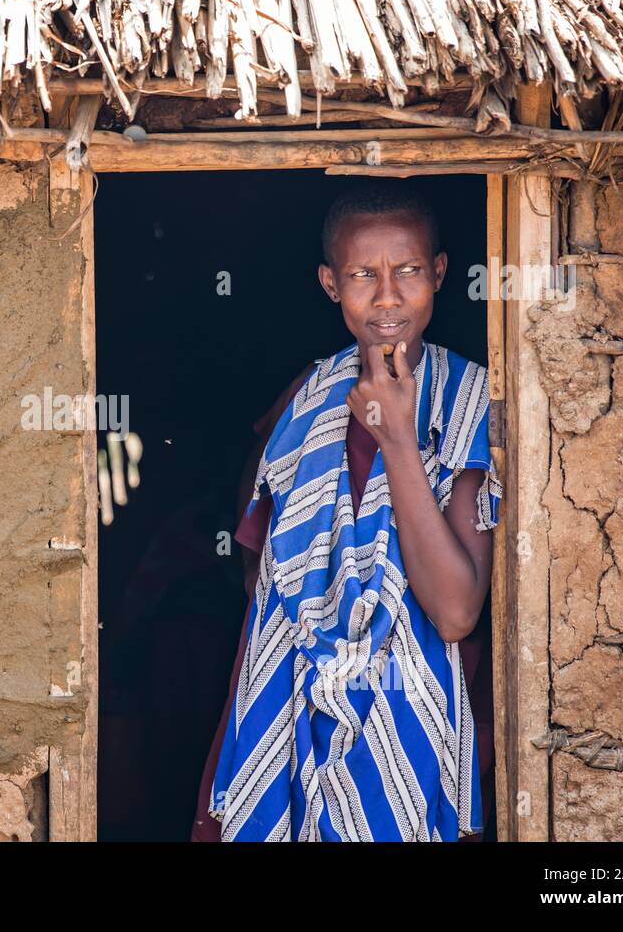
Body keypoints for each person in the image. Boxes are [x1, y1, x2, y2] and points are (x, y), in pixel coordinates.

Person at [194, 183, 502, 842]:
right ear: (331, 284)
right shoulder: (305, 402)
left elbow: (455, 610)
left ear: (440, 273)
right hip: (291, 712)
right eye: (364, 274)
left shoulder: (472, 403)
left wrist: (396, 432)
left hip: (410, 719)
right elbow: (261, 575)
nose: (387, 295)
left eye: (409, 271)